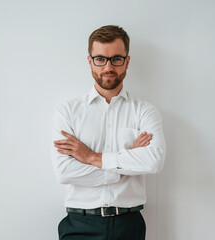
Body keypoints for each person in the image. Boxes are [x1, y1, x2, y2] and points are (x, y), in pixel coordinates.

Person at [51, 25, 165, 240]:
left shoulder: (145, 112)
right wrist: (125, 164)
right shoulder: (68, 111)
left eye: (116, 59)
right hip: (79, 224)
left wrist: (92, 157)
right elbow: (64, 172)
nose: (108, 66)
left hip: (128, 224)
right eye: (100, 59)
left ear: (127, 61)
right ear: (90, 61)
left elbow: (153, 161)